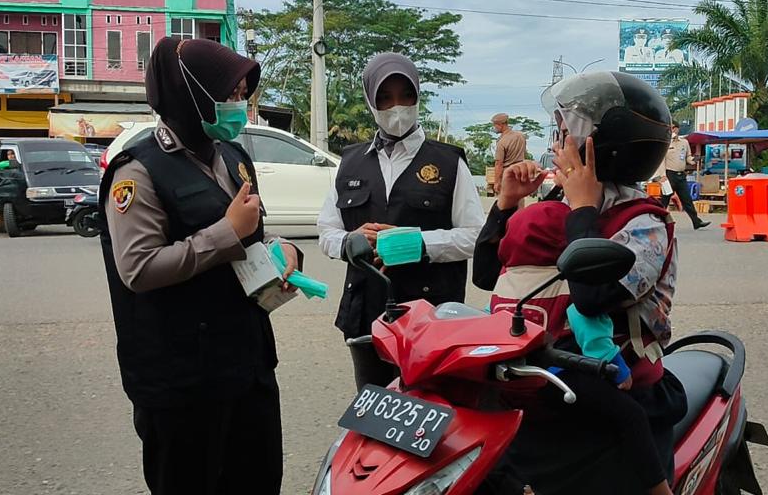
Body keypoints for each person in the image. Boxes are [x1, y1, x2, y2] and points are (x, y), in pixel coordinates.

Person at [98, 37, 300, 495]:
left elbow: (255, 233)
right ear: (191, 94)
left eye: (241, 96)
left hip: (247, 368)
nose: (238, 106)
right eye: (228, 94)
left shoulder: (232, 157)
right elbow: (139, 268)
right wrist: (225, 233)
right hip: (181, 384)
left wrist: (284, 252)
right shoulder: (138, 172)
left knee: (259, 481)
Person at [475, 72, 687, 495]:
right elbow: (486, 277)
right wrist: (506, 204)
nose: (558, 143)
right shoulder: (563, 202)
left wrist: (584, 208)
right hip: (552, 381)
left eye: (569, 132)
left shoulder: (645, 223)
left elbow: (590, 299)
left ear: (605, 145)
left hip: (624, 388)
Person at [317, 52, 485, 390]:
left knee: (431, 414)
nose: (397, 107)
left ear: (418, 96)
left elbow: (474, 235)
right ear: (370, 101)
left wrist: (418, 243)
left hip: (431, 313)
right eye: (385, 97)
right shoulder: (350, 163)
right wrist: (350, 241)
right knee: (374, 408)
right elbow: (326, 231)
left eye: (406, 96)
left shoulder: (449, 163)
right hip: (367, 313)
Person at [663, 122, 710, 229]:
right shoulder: (665, 143)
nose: (673, 130)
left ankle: (696, 222)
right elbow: (661, 160)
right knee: (664, 200)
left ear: (678, 129)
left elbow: (688, 157)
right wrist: (661, 175)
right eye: (670, 128)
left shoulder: (684, 142)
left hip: (681, 175)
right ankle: (657, 221)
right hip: (669, 175)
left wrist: (694, 160)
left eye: (674, 128)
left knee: (687, 199)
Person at [492, 112, 527, 195]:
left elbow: (498, 163)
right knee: (519, 201)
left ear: (501, 124)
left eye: (495, 125)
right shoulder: (521, 136)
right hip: (520, 173)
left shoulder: (502, 141)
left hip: (507, 175)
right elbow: (524, 153)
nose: (494, 127)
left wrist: (496, 182)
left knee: (506, 202)